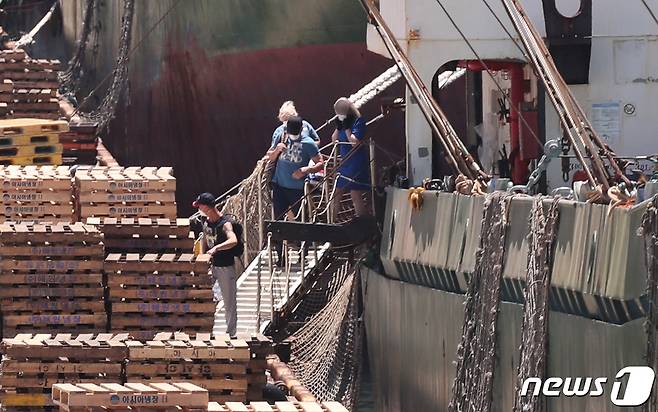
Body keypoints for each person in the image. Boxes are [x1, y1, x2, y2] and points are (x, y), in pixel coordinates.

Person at [266, 115, 324, 265]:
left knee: (300, 221)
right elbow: (270, 158)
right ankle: (280, 257)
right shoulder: (281, 138)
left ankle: (303, 254)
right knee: (278, 221)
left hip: (297, 189)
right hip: (279, 186)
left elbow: (320, 163)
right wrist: (277, 150)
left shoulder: (308, 142)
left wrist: (306, 169)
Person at [192, 192, 239, 337]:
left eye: (199, 206)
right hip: (212, 267)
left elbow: (233, 240)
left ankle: (231, 334)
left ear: (206, 207)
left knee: (229, 301)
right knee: (204, 297)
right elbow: (205, 241)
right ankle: (206, 331)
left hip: (226, 267)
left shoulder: (225, 224)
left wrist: (217, 248)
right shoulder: (206, 223)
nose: (198, 209)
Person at [331, 97, 371, 219]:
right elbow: (334, 140)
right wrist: (338, 127)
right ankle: (330, 223)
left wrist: (347, 128)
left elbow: (354, 142)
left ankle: (362, 223)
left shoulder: (358, 121)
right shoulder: (342, 123)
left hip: (356, 163)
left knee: (355, 194)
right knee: (336, 194)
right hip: (345, 163)